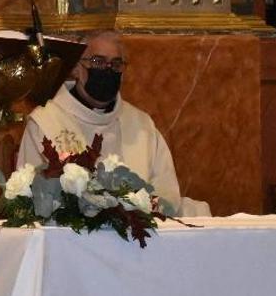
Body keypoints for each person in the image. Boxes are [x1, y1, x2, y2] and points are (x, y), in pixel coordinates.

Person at [16, 30, 184, 215]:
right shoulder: (46, 121)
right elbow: (28, 196)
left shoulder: (141, 126)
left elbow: (166, 192)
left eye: (116, 64)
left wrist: (141, 209)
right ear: (76, 69)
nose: (108, 69)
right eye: (98, 62)